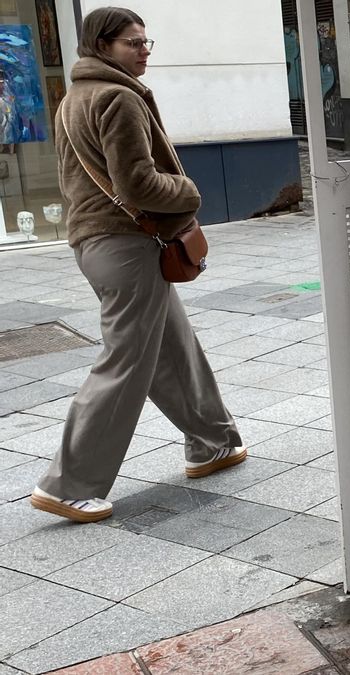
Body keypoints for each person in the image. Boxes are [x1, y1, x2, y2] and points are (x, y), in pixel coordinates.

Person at [31, 7, 245, 523]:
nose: (143, 50)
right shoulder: (118, 97)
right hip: (126, 244)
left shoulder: (74, 98)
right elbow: (137, 184)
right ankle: (68, 484)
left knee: (173, 346)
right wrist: (189, 191)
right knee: (125, 361)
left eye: (147, 42)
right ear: (101, 45)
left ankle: (213, 442)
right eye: (132, 42)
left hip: (100, 244)